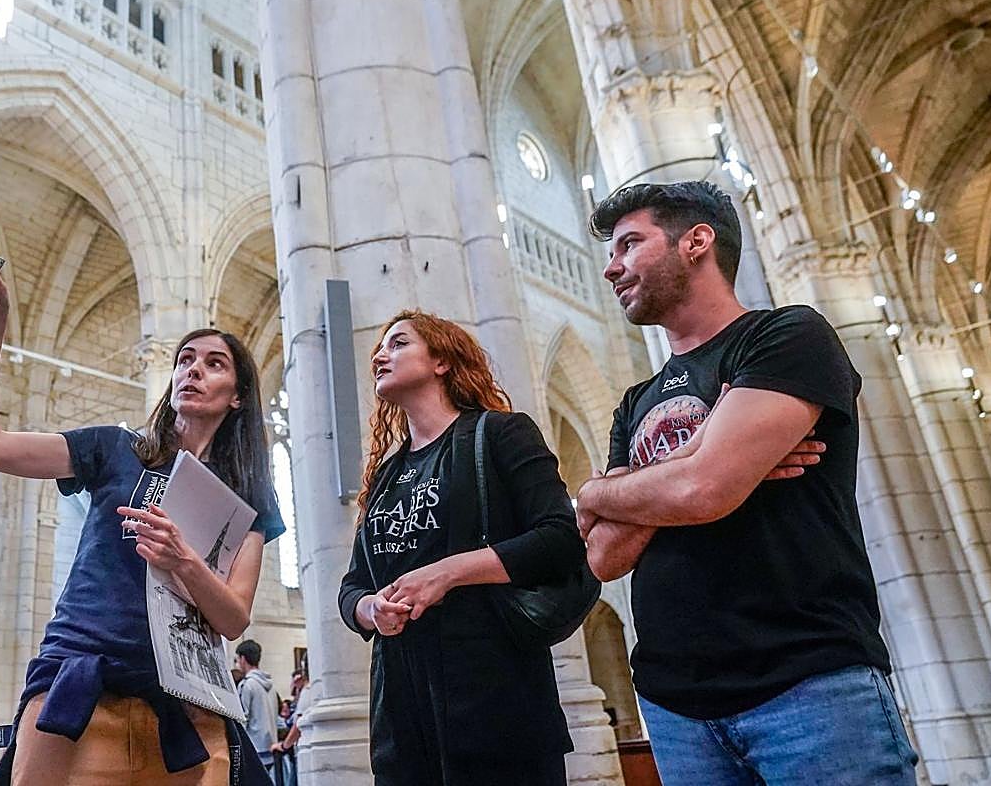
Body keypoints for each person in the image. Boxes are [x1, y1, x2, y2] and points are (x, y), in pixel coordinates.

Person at [575, 182, 919, 785]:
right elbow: (604, 555)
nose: (612, 267)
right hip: (676, 707)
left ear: (696, 242)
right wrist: (693, 459)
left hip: (808, 686)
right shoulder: (635, 403)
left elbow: (705, 492)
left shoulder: (786, 338)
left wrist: (618, 490)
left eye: (630, 244)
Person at [0, 236, 284, 786]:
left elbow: (234, 617)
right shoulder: (114, 448)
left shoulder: (245, 497)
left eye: (214, 363)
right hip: (81, 686)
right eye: (185, 360)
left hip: (186, 703)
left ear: (238, 395)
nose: (192, 370)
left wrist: (183, 560)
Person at [338, 310, 582, 786]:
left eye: (398, 343)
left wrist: (448, 572)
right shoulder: (387, 475)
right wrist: (370, 609)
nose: (380, 356)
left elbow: (560, 538)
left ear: (441, 361)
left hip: (492, 695)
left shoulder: (500, 434)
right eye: (380, 349)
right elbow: (352, 586)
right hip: (403, 712)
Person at [235, 639, 280, 780]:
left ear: (243, 658)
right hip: (271, 747)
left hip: (254, 749)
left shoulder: (247, 685)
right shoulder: (271, 686)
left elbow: (242, 718)